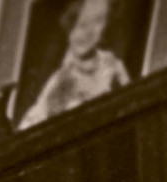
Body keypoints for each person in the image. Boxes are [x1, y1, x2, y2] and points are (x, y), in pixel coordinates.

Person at [19, 0, 132, 129]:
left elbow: (130, 112)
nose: (87, 33)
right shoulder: (58, 80)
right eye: (81, 24)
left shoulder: (114, 69)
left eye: (98, 21)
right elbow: (30, 126)